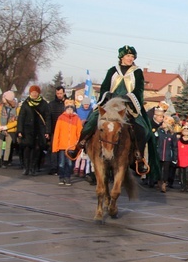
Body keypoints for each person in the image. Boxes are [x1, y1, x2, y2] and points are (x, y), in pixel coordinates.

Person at [67, 46, 156, 178]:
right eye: (128, 56)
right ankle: (80, 144)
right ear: (121, 57)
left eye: (132, 56)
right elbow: (104, 87)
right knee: (92, 120)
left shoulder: (137, 72)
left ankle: (139, 157)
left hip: (128, 104)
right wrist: (107, 95)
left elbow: (139, 90)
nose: (130, 59)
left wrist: (129, 97)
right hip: (110, 103)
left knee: (143, 128)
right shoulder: (113, 70)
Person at [17, 85, 51, 176]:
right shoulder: (26, 103)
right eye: (32, 92)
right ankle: (26, 167)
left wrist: (47, 131)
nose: (34, 94)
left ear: (38, 93)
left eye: (36, 92)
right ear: (30, 93)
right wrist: (19, 130)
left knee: (37, 149)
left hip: (39, 130)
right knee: (27, 148)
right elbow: (21, 117)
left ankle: (33, 167)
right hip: (27, 130)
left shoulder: (44, 104)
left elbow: (47, 118)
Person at [52, 99, 82, 186]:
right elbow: (57, 132)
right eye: (68, 109)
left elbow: (79, 132)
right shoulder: (61, 118)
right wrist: (55, 146)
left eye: (71, 109)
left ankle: (67, 177)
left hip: (72, 146)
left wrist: (78, 142)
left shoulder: (77, 119)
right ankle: (61, 177)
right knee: (61, 162)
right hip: (62, 145)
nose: (69, 110)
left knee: (69, 163)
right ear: (65, 109)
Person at [0, 91, 19, 168]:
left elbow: (16, 121)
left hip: (10, 130)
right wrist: (0, 127)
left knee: (8, 146)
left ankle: (6, 161)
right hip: (0, 129)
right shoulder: (1, 107)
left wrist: (7, 127)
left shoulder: (16, 109)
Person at [155, 115, 178, 193]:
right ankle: (158, 181)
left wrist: (175, 158)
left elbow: (175, 146)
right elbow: (155, 142)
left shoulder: (172, 134)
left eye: (164, 123)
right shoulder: (158, 132)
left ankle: (164, 183)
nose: (162, 124)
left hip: (168, 155)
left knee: (166, 170)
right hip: (159, 154)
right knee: (158, 169)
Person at [47, 86, 67, 175]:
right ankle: (53, 167)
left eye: (60, 93)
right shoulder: (51, 104)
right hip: (54, 130)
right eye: (57, 93)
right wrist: (47, 131)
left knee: (63, 150)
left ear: (64, 93)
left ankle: (62, 167)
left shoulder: (67, 104)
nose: (59, 95)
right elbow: (48, 118)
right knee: (54, 149)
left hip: (65, 131)